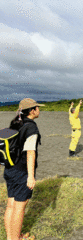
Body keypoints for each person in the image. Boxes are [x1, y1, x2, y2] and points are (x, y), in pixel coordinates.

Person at [4, 98, 44, 240]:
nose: (39, 110)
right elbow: (30, 152)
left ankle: (12, 237)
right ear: (32, 111)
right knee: (20, 207)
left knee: (11, 205)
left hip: (10, 169)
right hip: (21, 171)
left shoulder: (15, 123)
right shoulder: (31, 127)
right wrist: (31, 176)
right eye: (37, 108)